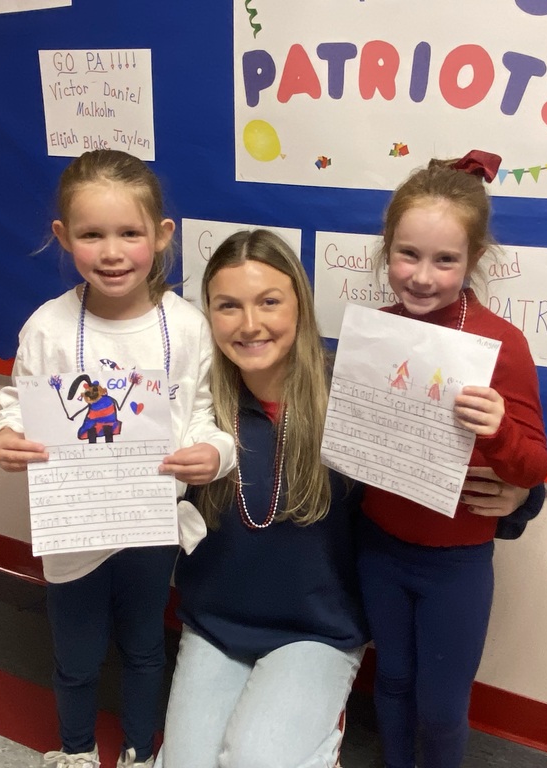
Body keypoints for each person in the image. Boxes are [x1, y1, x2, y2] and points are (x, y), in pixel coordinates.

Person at [0, 149, 236, 768]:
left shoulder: (187, 327)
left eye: (129, 233)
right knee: (75, 656)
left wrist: (216, 452)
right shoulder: (47, 328)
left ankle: (138, 750)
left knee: (145, 646)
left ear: (160, 235)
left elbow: (206, 411)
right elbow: (17, 402)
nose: (112, 251)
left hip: (150, 522)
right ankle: (73, 751)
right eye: (91, 234)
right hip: (74, 527)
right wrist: (6, 434)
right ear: (63, 237)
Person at [356, 151, 547, 768]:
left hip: (457, 562)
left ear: (473, 261)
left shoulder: (502, 344)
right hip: (381, 548)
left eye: (445, 260)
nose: (422, 276)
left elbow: (532, 466)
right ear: (387, 249)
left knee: (441, 708)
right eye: (408, 254)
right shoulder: (377, 333)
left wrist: (498, 433)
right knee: (389, 682)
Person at [154, 229, 368, 768]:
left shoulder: (349, 394)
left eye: (269, 302)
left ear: (299, 303)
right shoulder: (194, 404)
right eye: (228, 306)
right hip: (215, 623)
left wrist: (515, 498)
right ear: (209, 315)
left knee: (252, 761)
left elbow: (428, 488)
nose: (250, 324)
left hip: (316, 631)